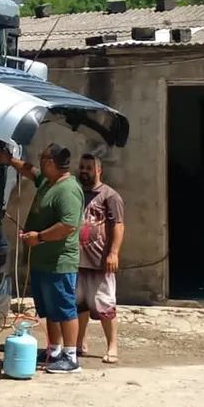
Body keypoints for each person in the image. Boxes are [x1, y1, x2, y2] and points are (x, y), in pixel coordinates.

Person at [0, 143, 84, 374]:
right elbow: (30, 171)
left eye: (43, 158)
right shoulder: (48, 181)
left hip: (58, 262)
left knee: (64, 308)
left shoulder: (68, 190)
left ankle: (71, 356)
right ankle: (54, 351)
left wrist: (40, 237)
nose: (40, 162)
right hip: (41, 261)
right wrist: (8, 160)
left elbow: (68, 226)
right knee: (50, 309)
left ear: (51, 163)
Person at [75, 153, 124, 364]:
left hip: (99, 261)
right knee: (79, 304)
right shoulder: (76, 193)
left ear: (98, 170)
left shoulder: (110, 196)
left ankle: (112, 346)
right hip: (77, 260)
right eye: (82, 167)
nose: (84, 171)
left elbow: (119, 225)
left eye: (88, 167)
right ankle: (79, 343)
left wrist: (113, 253)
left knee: (104, 305)